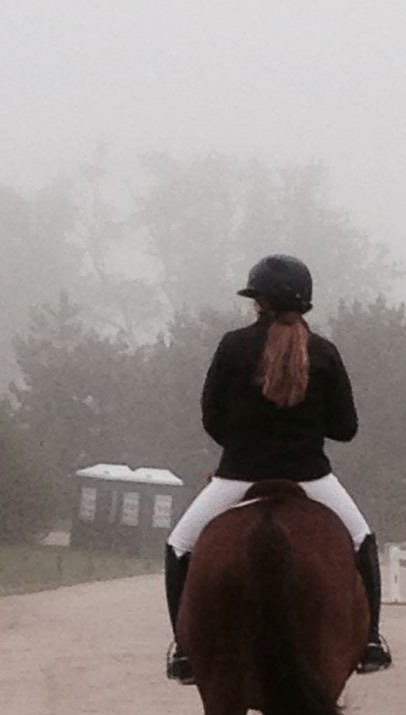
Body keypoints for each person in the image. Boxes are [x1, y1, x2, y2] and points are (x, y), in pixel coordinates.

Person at [165, 253, 392, 684]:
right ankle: (372, 641)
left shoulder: (233, 345)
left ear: (258, 302)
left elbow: (211, 417)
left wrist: (242, 449)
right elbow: (346, 429)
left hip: (237, 476)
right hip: (312, 478)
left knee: (179, 546)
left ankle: (183, 649)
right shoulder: (324, 352)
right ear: (305, 303)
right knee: (362, 541)